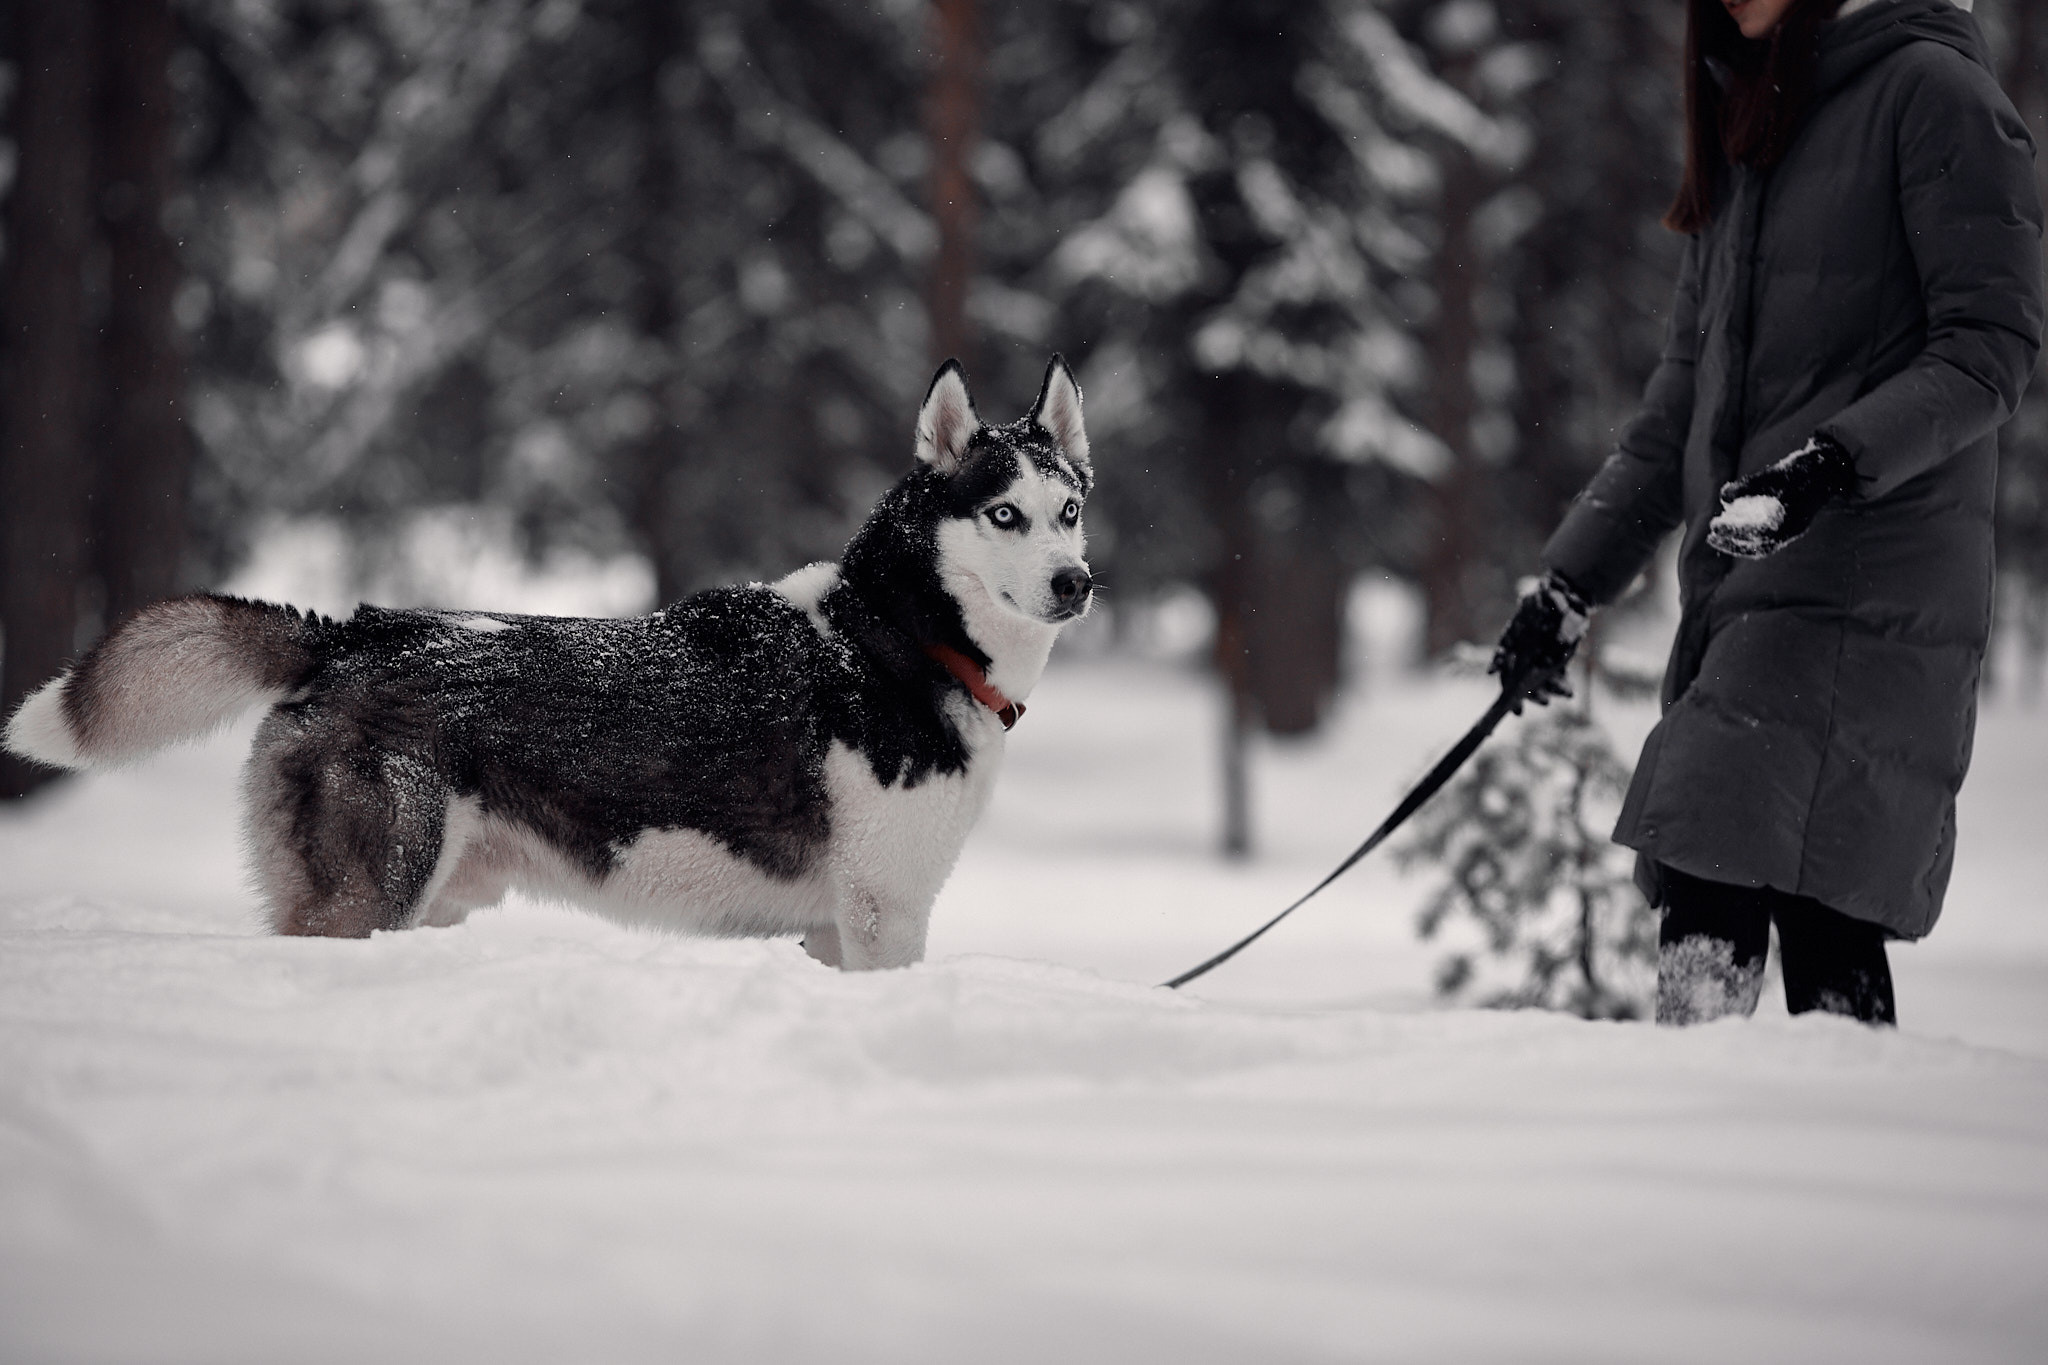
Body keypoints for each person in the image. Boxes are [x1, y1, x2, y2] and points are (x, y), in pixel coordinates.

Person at [1491, 0, 2043, 1026]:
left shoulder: (1932, 92)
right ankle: (1757, 1142)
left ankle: (1731, 1133)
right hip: (1748, 581)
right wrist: (1567, 587)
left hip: (1871, 579)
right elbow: (1677, 407)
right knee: (1766, 880)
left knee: (1745, 854)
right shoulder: (1754, 117)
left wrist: (1826, 468)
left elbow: (1988, 348)